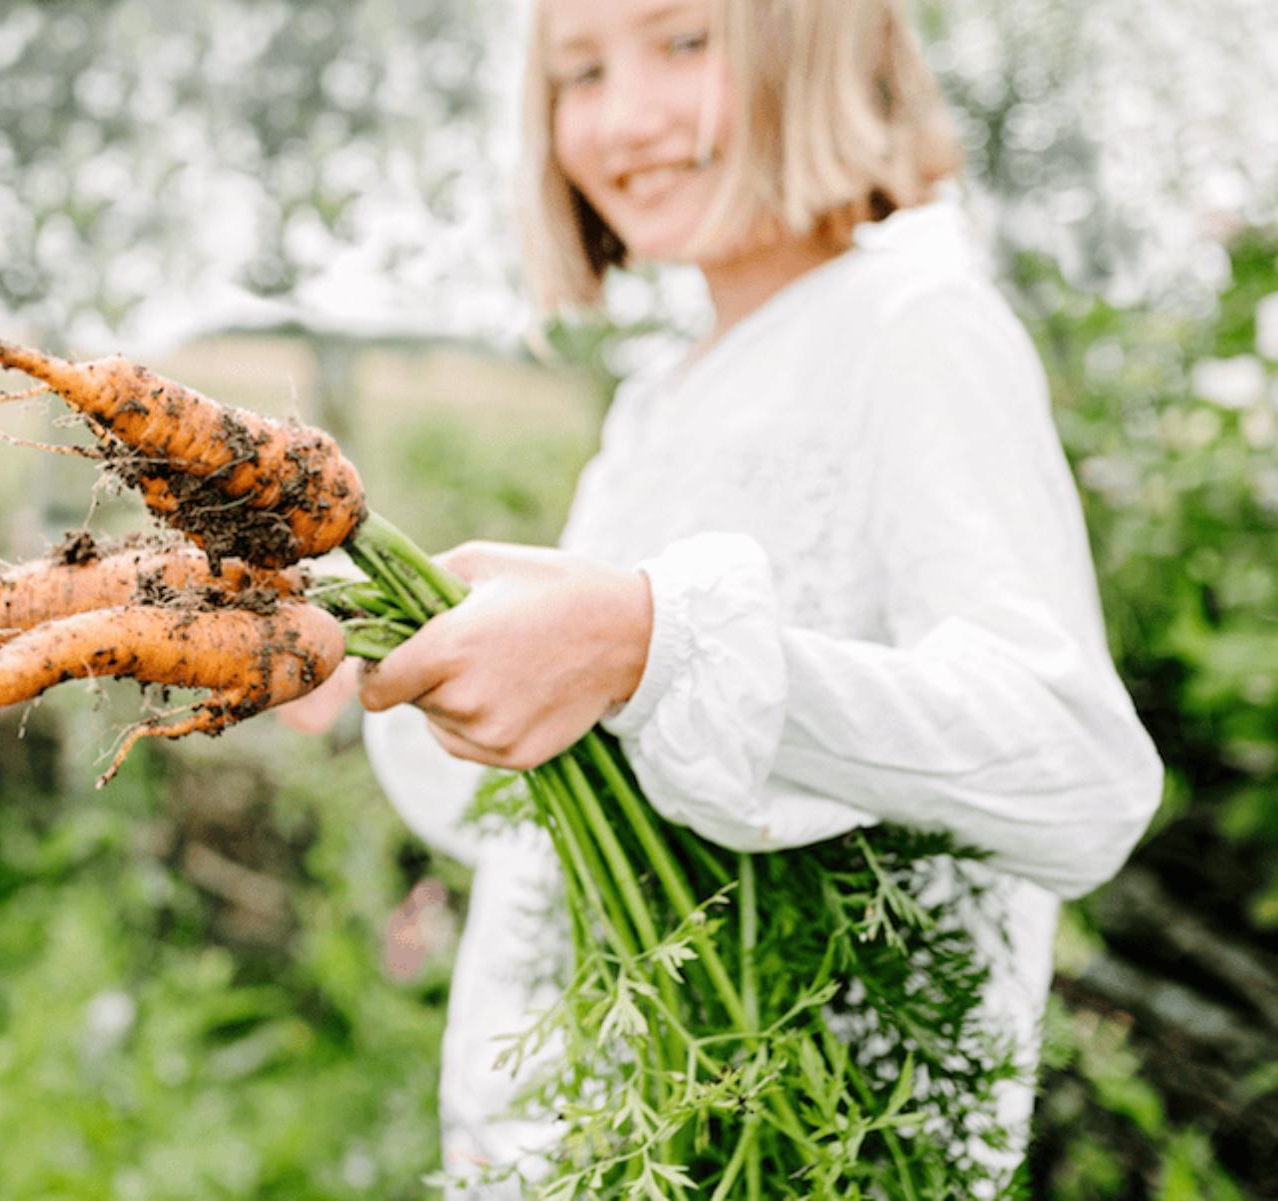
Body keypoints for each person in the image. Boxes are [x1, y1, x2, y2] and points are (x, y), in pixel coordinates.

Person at [282, 0, 1165, 1194]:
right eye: (580, 71)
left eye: (685, 42)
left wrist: (653, 647)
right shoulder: (657, 403)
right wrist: (403, 671)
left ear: (825, 44)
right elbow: (558, 812)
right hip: (601, 1146)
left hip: (818, 1157)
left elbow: (1078, 773)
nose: (624, 118)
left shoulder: (916, 328)